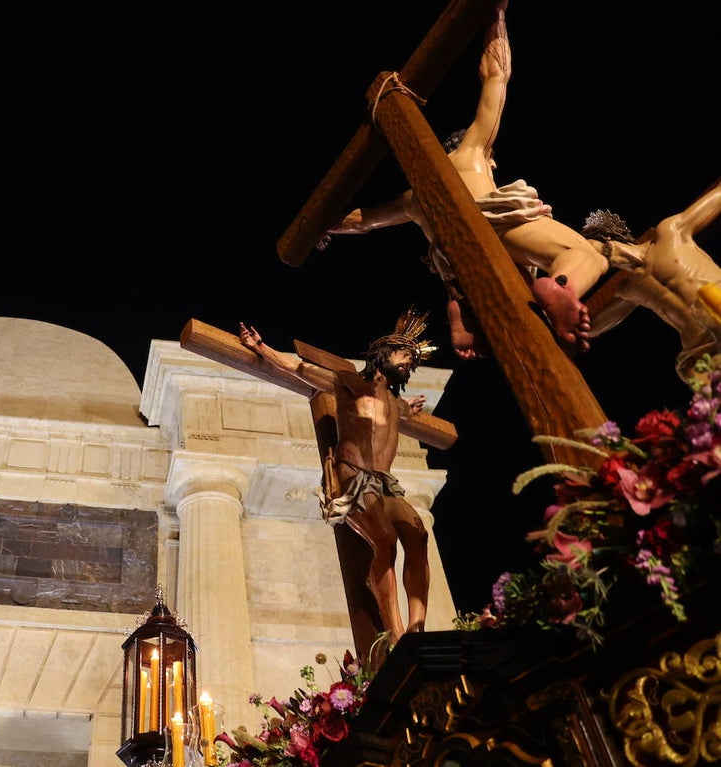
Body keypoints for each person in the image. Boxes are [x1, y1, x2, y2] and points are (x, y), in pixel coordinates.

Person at [316, 0, 606, 359]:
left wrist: (324, 227)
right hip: (488, 223)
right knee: (585, 254)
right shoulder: (472, 152)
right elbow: (495, 78)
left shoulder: (414, 198)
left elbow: (365, 221)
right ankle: (563, 288)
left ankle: (464, 306)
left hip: (456, 262)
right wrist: (496, 17)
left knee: (520, 295)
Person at [238, 312, 432, 649]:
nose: (408, 362)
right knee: (384, 540)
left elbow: (396, 418)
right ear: (381, 354)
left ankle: (417, 629)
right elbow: (300, 369)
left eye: (412, 360)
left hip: (385, 482)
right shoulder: (349, 382)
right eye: (403, 353)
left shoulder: (396, 403)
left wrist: (409, 412)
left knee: (417, 534)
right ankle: (396, 632)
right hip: (352, 474)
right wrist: (261, 347)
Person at [581, 177, 721, 385]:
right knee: (708, 399)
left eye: (600, 247)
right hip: (697, 348)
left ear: (611, 239)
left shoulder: (671, 233)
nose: (602, 256)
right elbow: (591, 329)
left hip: (717, 310)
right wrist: (577, 326)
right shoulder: (630, 288)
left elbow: (718, 198)